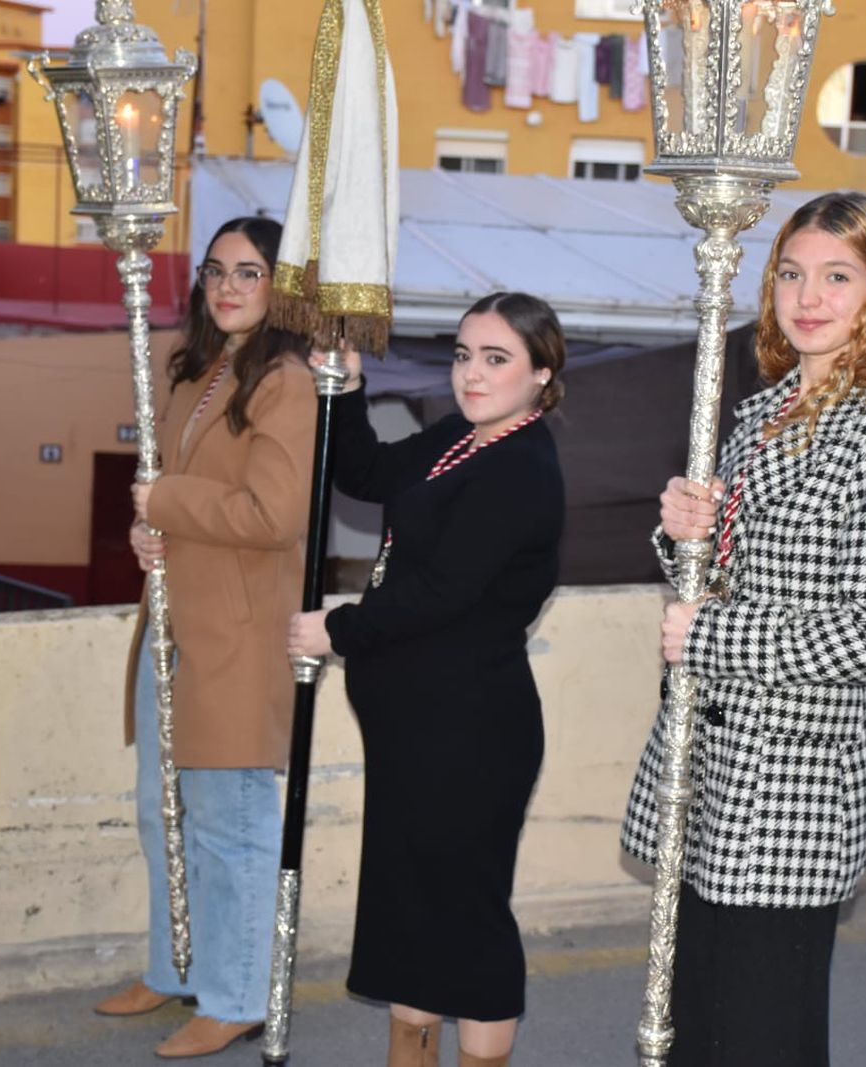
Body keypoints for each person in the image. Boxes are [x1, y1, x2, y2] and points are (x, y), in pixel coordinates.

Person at [621, 192, 866, 1067]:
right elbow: (730, 572)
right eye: (792, 275)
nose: (808, 296)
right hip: (717, 771)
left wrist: (711, 639)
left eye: (837, 276)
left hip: (792, 784)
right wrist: (683, 531)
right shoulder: (761, 415)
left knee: (763, 1037)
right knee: (703, 1024)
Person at [287, 292, 567, 1067]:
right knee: (412, 914)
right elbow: (367, 472)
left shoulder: (521, 467)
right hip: (419, 729)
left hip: (470, 735)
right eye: (462, 354)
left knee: (462, 917)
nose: (471, 374)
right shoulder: (462, 439)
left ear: (541, 373)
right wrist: (345, 388)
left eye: (496, 358)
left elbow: (441, 590)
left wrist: (337, 628)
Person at [92, 216, 316, 1059]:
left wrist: (164, 508)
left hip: (238, 636)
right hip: (174, 626)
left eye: (250, 272)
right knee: (164, 813)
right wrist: (148, 534)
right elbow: (174, 496)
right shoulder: (198, 372)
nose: (228, 286)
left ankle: (234, 995)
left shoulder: (284, 381)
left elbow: (272, 514)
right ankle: (174, 964)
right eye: (217, 270)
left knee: (231, 824)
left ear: (279, 285)